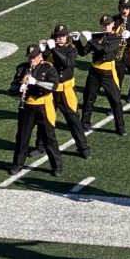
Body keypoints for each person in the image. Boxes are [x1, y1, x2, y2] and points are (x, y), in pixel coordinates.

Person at [36, 23, 90, 159]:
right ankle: (40, 146)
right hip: (50, 89)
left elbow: (67, 63)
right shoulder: (48, 49)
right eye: (57, 36)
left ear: (67, 37)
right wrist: (40, 50)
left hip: (66, 89)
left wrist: (53, 49)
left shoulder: (71, 49)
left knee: (73, 119)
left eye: (63, 36)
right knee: (45, 119)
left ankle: (83, 147)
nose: (60, 38)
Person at [9, 43, 63, 176]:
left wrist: (36, 82)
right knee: (22, 137)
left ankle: (57, 166)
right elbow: (12, 87)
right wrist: (18, 88)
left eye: (33, 57)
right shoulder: (22, 68)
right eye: (29, 57)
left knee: (49, 138)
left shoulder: (48, 68)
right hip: (27, 106)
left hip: (43, 106)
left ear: (40, 55)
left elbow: (53, 86)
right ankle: (17, 164)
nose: (31, 60)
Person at [77, 15, 127, 136]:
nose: (105, 27)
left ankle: (120, 127)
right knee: (88, 98)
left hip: (108, 72)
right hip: (94, 71)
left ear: (112, 25)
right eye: (103, 25)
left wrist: (90, 40)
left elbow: (105, 50)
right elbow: (83, 53)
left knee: (115, 100)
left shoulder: (116, 37)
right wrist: (77, 40)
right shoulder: (96, 36)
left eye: (107, 24)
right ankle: (85, 124)